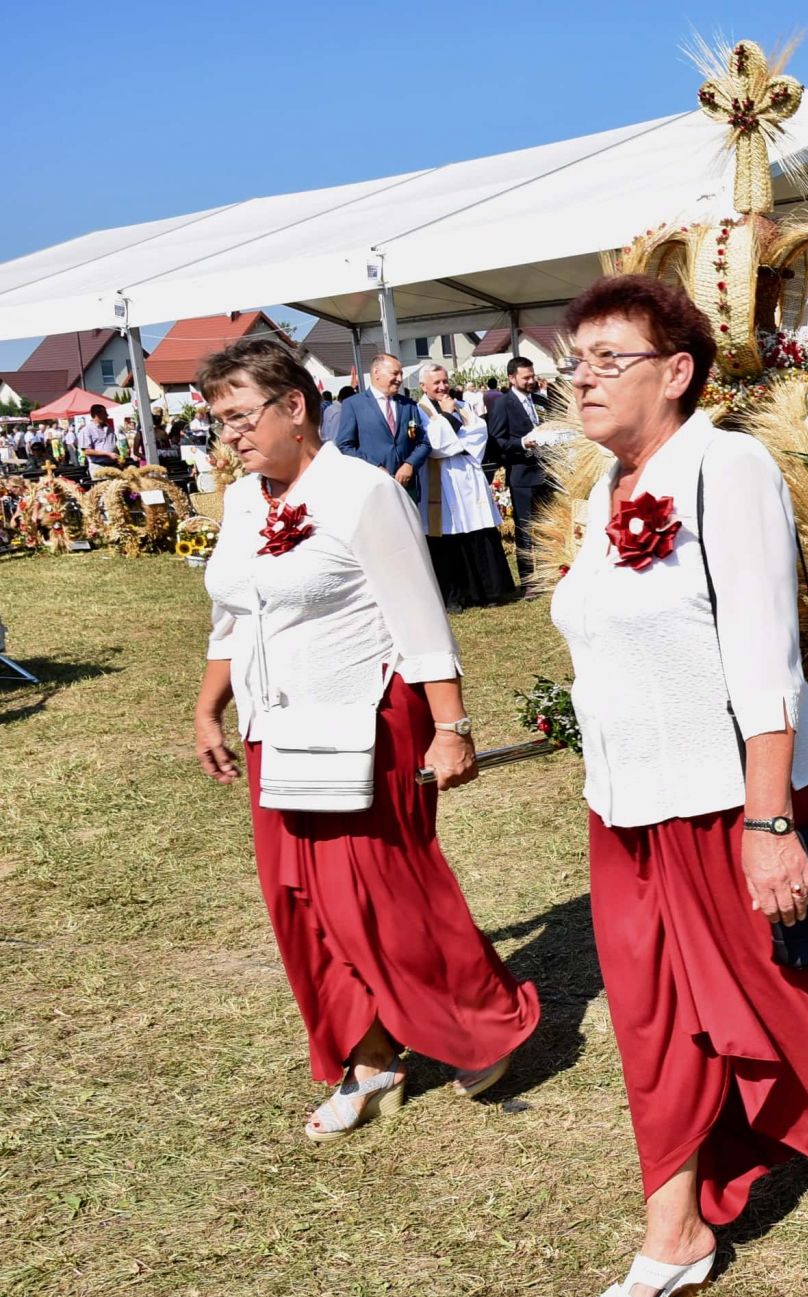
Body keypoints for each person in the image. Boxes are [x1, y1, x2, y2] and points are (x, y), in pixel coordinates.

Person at [545, 275, 808, 1297]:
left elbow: (762, 655)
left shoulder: (727, 466)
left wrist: (765, 822)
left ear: (676, 371)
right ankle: (677, 1233)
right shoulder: (602, 490)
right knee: (652, 1015)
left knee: (785, 996)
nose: (583, 376)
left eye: (609, 358)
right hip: (624, 806)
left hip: (726, 793)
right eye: (576, 358)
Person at [190, 338, 537, 1140]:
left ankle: (486, 1021)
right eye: (221, 420)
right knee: (300, 905)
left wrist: (450, 727)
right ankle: (371, 1056)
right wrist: (210, 708)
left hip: (366, 721)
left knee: (383, 895)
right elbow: (234, 615)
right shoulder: (244, 501)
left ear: (294, 406)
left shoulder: (362, 491)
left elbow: (418, 618)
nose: (231, 435)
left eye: (242, 417)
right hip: (273, 726)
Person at [415, 364, 516, 609]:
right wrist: (450, 420)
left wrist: (453, 435)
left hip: (468, 474)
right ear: (423, 386)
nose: (442, 386)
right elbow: (435, 445)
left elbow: (479, 433)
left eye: (445, 380)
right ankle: (457, 596)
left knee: (477, 531)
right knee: (450, 535)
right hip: (441, 480)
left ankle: (490, 592)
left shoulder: (462, 405)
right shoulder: (420, 410)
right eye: (436, 382)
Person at [487, 356, 552, 590]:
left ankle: (549, 572)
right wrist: (522, 444)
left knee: (547, 525)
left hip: (546, 472)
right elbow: (497, 441)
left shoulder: (539, 400)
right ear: (512, 378)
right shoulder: (503, 404)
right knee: (525, 528)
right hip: (522, 475)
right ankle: (528, 581)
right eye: (526, 377)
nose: (531, 381)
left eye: (532, 376)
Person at [332, 353, 430, 499]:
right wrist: (374, 467)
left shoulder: (408, 405)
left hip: (406, 488)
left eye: (401, 374)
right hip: (372, 488)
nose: (400, 379)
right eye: (395, 373)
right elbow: (345, 446)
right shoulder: (354, 405)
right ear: (376, 373)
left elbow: (423, 442)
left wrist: (409, 464)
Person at [78, 404, 121, 471]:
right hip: (99, 467)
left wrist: (118, 457)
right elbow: (87, 451)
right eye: (105, 413)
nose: (107, 415)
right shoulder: (87, 430)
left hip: (113, 466)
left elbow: (113, 445)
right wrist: (107, 454)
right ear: (96, 415)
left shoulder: (110, 428)